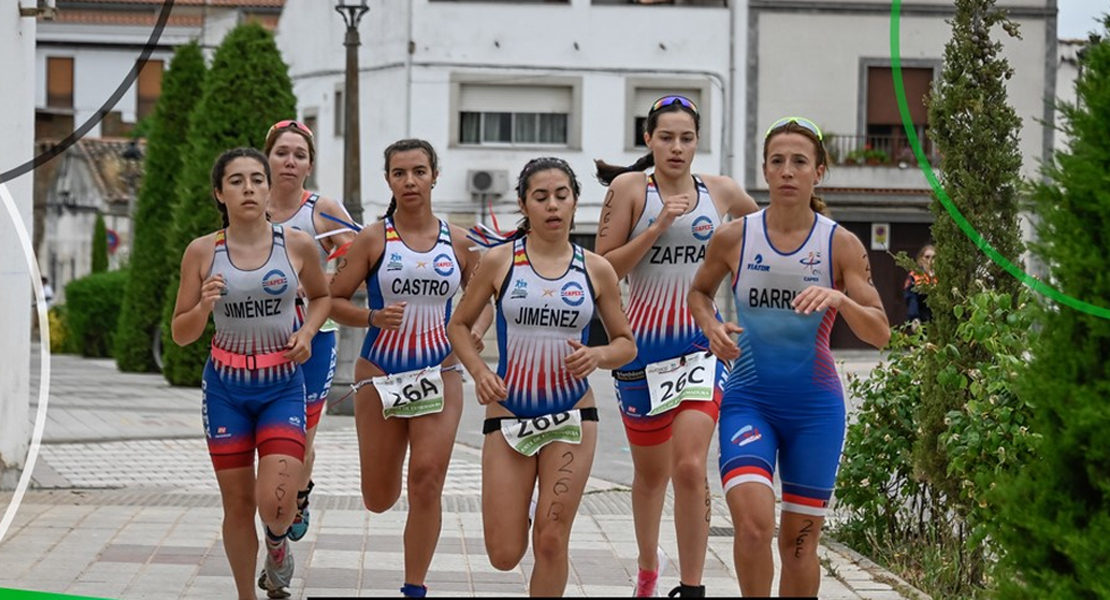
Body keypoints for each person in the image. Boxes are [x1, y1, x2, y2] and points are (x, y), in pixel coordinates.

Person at [688, 117, 890, 597]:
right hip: (749, 400)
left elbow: (881, 332)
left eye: (799, 161)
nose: (787, 171)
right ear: (764, 169)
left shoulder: (840, 244)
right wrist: (712, 326)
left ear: (818, 171)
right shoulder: (735, 237)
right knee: (754, 526)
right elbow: (698, 294)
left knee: (799, 545)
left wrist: (840, 300)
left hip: (814, 410)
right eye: (777, 161)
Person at [447, 157, 637, 597]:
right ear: (524, 205)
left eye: (561, 195)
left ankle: (547, 510)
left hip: (572, 418)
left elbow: (626, 343)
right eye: (541, 197)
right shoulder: (498, 262)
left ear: (574, 203)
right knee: (503, 554)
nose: (552, 205)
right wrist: (479, 373)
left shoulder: (596, 269)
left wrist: (598, 354)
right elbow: (458, 325)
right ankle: (527, 505)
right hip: (508, 414)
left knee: (551, 539)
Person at [593, 95, 759, 598]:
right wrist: (660, 224)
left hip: (699, 349)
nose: (677, 147)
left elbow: (767, 241)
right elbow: (604, 272)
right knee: (650, 476)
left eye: (687, 138)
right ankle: (649, 565)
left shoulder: (721, 191)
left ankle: (692, 587)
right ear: (648, 140)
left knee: (689, 465)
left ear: (697, 142)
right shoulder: (629, 190)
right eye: (666, 137)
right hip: (640, 355)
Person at [170, 147, 331, 599]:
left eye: (257, 179)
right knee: (238, 505)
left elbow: (322, 298)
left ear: (269, 187)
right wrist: (203, 305)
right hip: (226, 389)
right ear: (219, 193)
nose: (249, 188)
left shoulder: (295, 244)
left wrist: (307, 332)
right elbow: (181, 333)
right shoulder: (202, 252)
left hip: (281, 386)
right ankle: (246, 593)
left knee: (278, 506)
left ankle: (277, 546)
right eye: (237, 181)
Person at [328, 139, 483, 599]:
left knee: (428, 478)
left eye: (419, 171)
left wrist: (474, 332)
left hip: (441, 373)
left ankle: (414, 586)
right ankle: (382, 494)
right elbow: (333, 301)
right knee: (379, 498)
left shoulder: (460, 241)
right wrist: (371, 317)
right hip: (380, 373)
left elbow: (483, 300)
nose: (410, 181)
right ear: (389, 180)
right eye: (400, 173)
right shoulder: (374, 238)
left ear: (435, 175)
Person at [263, 119, 357, 542]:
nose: (290, 161)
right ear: (267, 158)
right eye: (282, 152)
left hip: (315, 337)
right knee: (268, 442)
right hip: (261, 337)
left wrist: (325, 280)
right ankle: (276, 510)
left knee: (300, 437)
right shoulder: (251, 204)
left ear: (309, 165)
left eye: (299, 155)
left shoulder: (321, 210)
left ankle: (296, 498)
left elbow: (359, 255)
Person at [904, 244, 936, 324]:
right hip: (922, 319)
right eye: (927, 257)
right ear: (921, 259)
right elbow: (911, 297)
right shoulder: (915, 275)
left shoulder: (943, 275)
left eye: (934, 257)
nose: (930, 260)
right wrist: (914, 317)